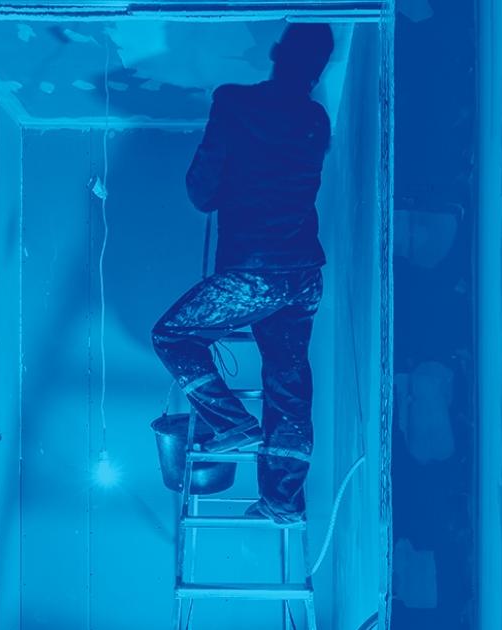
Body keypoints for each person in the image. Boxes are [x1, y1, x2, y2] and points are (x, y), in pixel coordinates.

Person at [151, 24, 336, 526]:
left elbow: (201, 192)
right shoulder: (316, 119)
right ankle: (282, 501)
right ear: (319, 70)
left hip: (256, 273)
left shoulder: (234, 102)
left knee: (171, 335)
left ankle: (232, 423)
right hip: (305, 277)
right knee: (287, 383)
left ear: (276, 52)